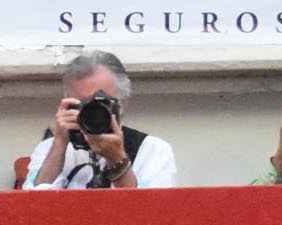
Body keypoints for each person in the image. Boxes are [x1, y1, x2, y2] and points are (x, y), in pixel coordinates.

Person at [24, 50, 176, 190]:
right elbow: (32, 205)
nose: (92, 112)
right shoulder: (49, 149)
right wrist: (59, 144)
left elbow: (150, 208)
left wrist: (117, 160)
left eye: (101, 102)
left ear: (122, 103)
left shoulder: (152, 151)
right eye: (82, 104)